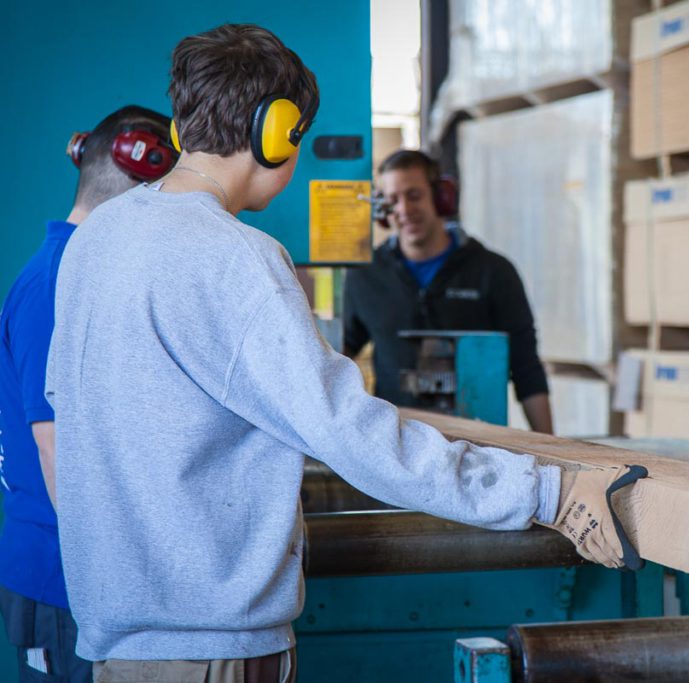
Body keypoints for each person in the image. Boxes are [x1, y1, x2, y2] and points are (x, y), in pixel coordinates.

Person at [45, 24, 630, 681]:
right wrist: (548, 491)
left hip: (115, 643)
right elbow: (352, 434)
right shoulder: (237, 256)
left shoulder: (95, 241)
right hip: (210, 649)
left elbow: (69, 411)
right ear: (279, 133)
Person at [0, 105, 175, 682]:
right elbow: (58, 452)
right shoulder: (60, 280)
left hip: (87, 579)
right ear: (141, 176)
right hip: (67, 581)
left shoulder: (84, 272)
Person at [342, 149, 555, 433]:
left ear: (442, 197)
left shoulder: (493, 271)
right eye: (392, 200)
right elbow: (341, 358)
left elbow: (527, 368)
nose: (404, 210)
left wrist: (551, 448)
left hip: (482, 444)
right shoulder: (366, 275)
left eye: (414, 195)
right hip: (396, 447)